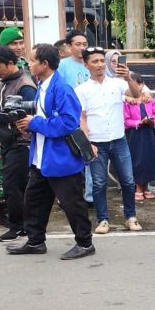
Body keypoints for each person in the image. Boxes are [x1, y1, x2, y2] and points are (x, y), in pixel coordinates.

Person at [8, 43, 95, 260]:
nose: (28, 64)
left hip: (61, 159)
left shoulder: (62, 89)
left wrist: (34, 123)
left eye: (32, 61)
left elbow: (68, 123)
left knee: (72, 203)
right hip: (42, 158)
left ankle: (85, 243)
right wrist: (28, 123)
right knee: (34, 201)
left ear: (44, 64)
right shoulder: (42, 85)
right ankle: (36, 241)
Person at [76, 46, 143, 234]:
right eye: (94, 62)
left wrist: (128, 77)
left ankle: (131, 217)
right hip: (96, 143)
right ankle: (103, 220)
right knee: (99, 183)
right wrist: (88, 143)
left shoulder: (117, 83)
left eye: (100, 61)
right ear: (86, 64)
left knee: (128, 181)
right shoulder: (81, 89)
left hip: (119, 140)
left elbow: (136, 95)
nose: (99, 65)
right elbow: (82, 117)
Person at [0, 46, 36, 242]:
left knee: (13, 185)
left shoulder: (25, 85)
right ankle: (24, 225)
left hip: (21, 142)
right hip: (6, 141)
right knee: (15, 186)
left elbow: (29, 118)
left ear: (10, 63)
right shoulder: (3, 82)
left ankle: (18, 226)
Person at [56, 29, 92, 206]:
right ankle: (69, 198)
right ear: (69, 46)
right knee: (74, 155)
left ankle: (90, 196)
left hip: (91, 116)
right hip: (71, 118)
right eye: (78, 44)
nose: (82, 48)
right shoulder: (62, 66)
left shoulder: (91, 63)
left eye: (85, 44)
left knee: (90, 156)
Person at [124, 72, 155, 201]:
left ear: (143, 85)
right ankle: (139, 188)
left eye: (139, 84)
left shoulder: (149, 100)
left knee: (149, 159)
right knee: (137, 160)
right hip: (135, 134)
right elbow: (125, 120)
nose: (137, 87)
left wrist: (151, 120)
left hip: (149, 133)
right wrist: (138, 122)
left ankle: (146, 187)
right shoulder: (128, 102)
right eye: (134, 84)